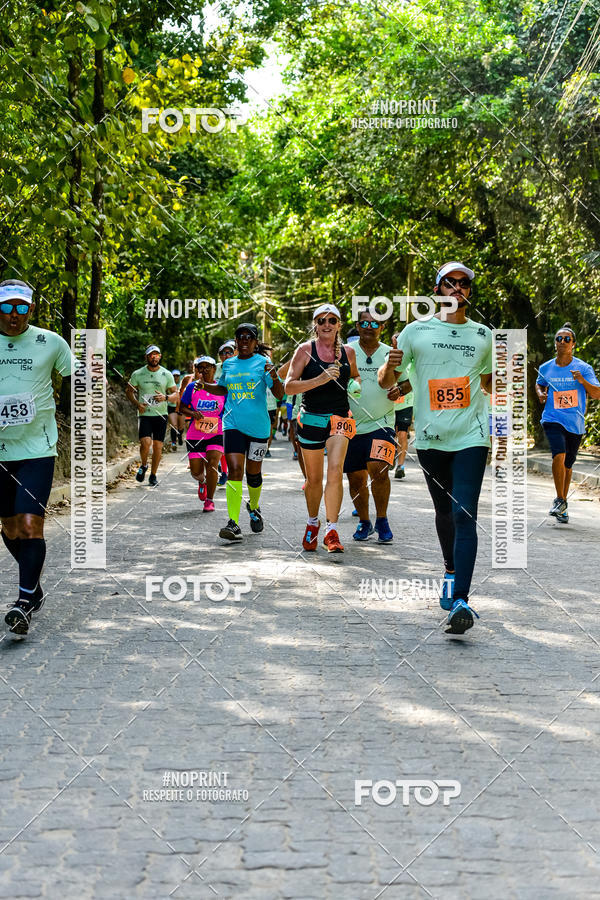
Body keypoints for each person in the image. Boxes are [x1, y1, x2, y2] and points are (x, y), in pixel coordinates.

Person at [379, 261, 492, 635]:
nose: (457, 289)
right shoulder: (416, 331)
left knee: (465, 514)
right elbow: (388, 381)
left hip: (472, 436)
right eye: (450, 283)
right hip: (430, 438)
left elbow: (490, 384)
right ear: (438, 290)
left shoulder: (484, 335)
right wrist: (391, 368)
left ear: (469, 292)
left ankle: (461, 599)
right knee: (444, 511)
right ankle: (449, 568)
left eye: (463, 284)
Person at [0, 280, 75, 637]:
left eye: (21, 308)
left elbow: (80, 379)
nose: (14, 315)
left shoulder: (52, 342)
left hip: (37, 450)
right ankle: (34, 587)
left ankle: (24, 602)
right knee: (10, 528)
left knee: (31, 524)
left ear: (30, 309)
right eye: (7, 307)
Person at [196, 323, 284, 541]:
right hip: (232, 424)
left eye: (249, 337)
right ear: (236, 341)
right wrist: (205, 386)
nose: (244, 340)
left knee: (253, 475)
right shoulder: (228, 365)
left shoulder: (264, 363)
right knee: (235, 470)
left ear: (255, 342)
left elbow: (280, 393)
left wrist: (273, 375)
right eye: (240, 337)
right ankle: (233, 523)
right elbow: (223, 388)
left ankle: (253, 507)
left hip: (259, 427)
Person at [285, 303, 360, 553]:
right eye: (321, 321)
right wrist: (320, 379)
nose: (326, 325)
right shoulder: (305, 351)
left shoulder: (348, 352)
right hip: (311, 421)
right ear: (315, 325)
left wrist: (355, 385)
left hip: (339, 419)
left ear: (339, 325)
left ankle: (332, 530)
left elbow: (355, 375)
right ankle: (312, 522)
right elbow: (289, 386)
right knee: (314, 479)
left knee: (336, 471)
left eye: (331, 320)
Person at [344, 310, 407, 543]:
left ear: (382, 327)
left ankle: (382, 519)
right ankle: (364, 521)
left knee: (379, 468)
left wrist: (401, 389)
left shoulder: (391, 354)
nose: (369, 326)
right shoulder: (345, 352)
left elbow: (409, 381)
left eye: (375, 323)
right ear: (357, 326)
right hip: (349, 426)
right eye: (364, 322)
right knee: (355, 478)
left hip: (383, 423)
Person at [536, 323, 600, 524]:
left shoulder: (583, 368)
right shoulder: (547, 367)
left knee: (568, 463)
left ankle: (562, 505)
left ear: (573, 344)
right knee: (559, 453)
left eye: (566, 339)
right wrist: (540, 393)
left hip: (575, 422)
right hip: (553, 418)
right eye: (558, 338)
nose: (562, 342)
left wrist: (582, 380)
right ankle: (559, 499)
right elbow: (540, 383)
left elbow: (596, 393)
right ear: (555, 343)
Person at [178, 356, 225, 512]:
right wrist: (193, 412)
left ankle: (210, 500)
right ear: (197, 370)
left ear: (214, 368)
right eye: (200, 367)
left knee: (212, 465)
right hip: (195, 434)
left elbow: (228, 409)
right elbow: (182, 408)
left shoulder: (221, 388)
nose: (204, 370)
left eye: (207, 367)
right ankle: (202, 481)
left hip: (216, 433)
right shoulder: (192, 387)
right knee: (196, 471)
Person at [126, 345, 177, 487]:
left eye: (156, 354)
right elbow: (129, 391)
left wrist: (165, 397)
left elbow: (176, 395)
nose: (154, 357)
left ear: (160, 357)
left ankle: (153, 475)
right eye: (151, 355)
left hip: (161, 415)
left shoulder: (166, 374)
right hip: (145, 414)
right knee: (145, 443)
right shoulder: (138, 374)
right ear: (146, 357)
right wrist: (137, 403)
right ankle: (143, 465)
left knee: (157, 446)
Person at [392, 351, 414, 479]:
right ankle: (391, 455)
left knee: (402, 434)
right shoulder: (389, 360)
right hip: (390, 405)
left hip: (406, 404)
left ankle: (400, 466)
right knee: (391, 434)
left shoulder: (412, 363)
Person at [168, 369, 184, 451]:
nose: (175, 377)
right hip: (171, 407)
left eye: (177, 375)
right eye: (174, 376)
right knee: (174, 425)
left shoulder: (183, 384)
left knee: (181, 427)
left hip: (181, 407)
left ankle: (180, 436)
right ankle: (173, 442)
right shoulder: (169, 384)